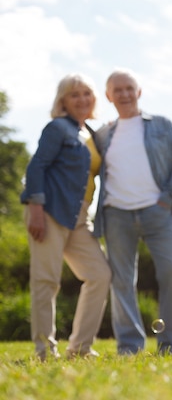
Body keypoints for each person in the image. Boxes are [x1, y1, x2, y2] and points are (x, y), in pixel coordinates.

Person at [93, 68, 172, 355]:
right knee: (121, 281)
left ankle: (171, 344)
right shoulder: (102, 135)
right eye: (117, 90)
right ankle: (129, 346)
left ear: (139, 92)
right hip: (116, 215)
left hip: (158, 212)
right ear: (108, 96)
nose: (124, 94)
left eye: (129, 88)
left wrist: (167, 200)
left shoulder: (162, 125)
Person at [21, 73, 112, 360]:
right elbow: (36, 168)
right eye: (74, 95)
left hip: (80, 216)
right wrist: (36, 209)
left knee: (100, 275)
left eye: (87, 93)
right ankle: (44, 351)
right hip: (49, 211)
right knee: (46, 281)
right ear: (63, 101)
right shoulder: (57, 129)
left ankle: (80, 348)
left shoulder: (93, 134)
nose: (82, 99)